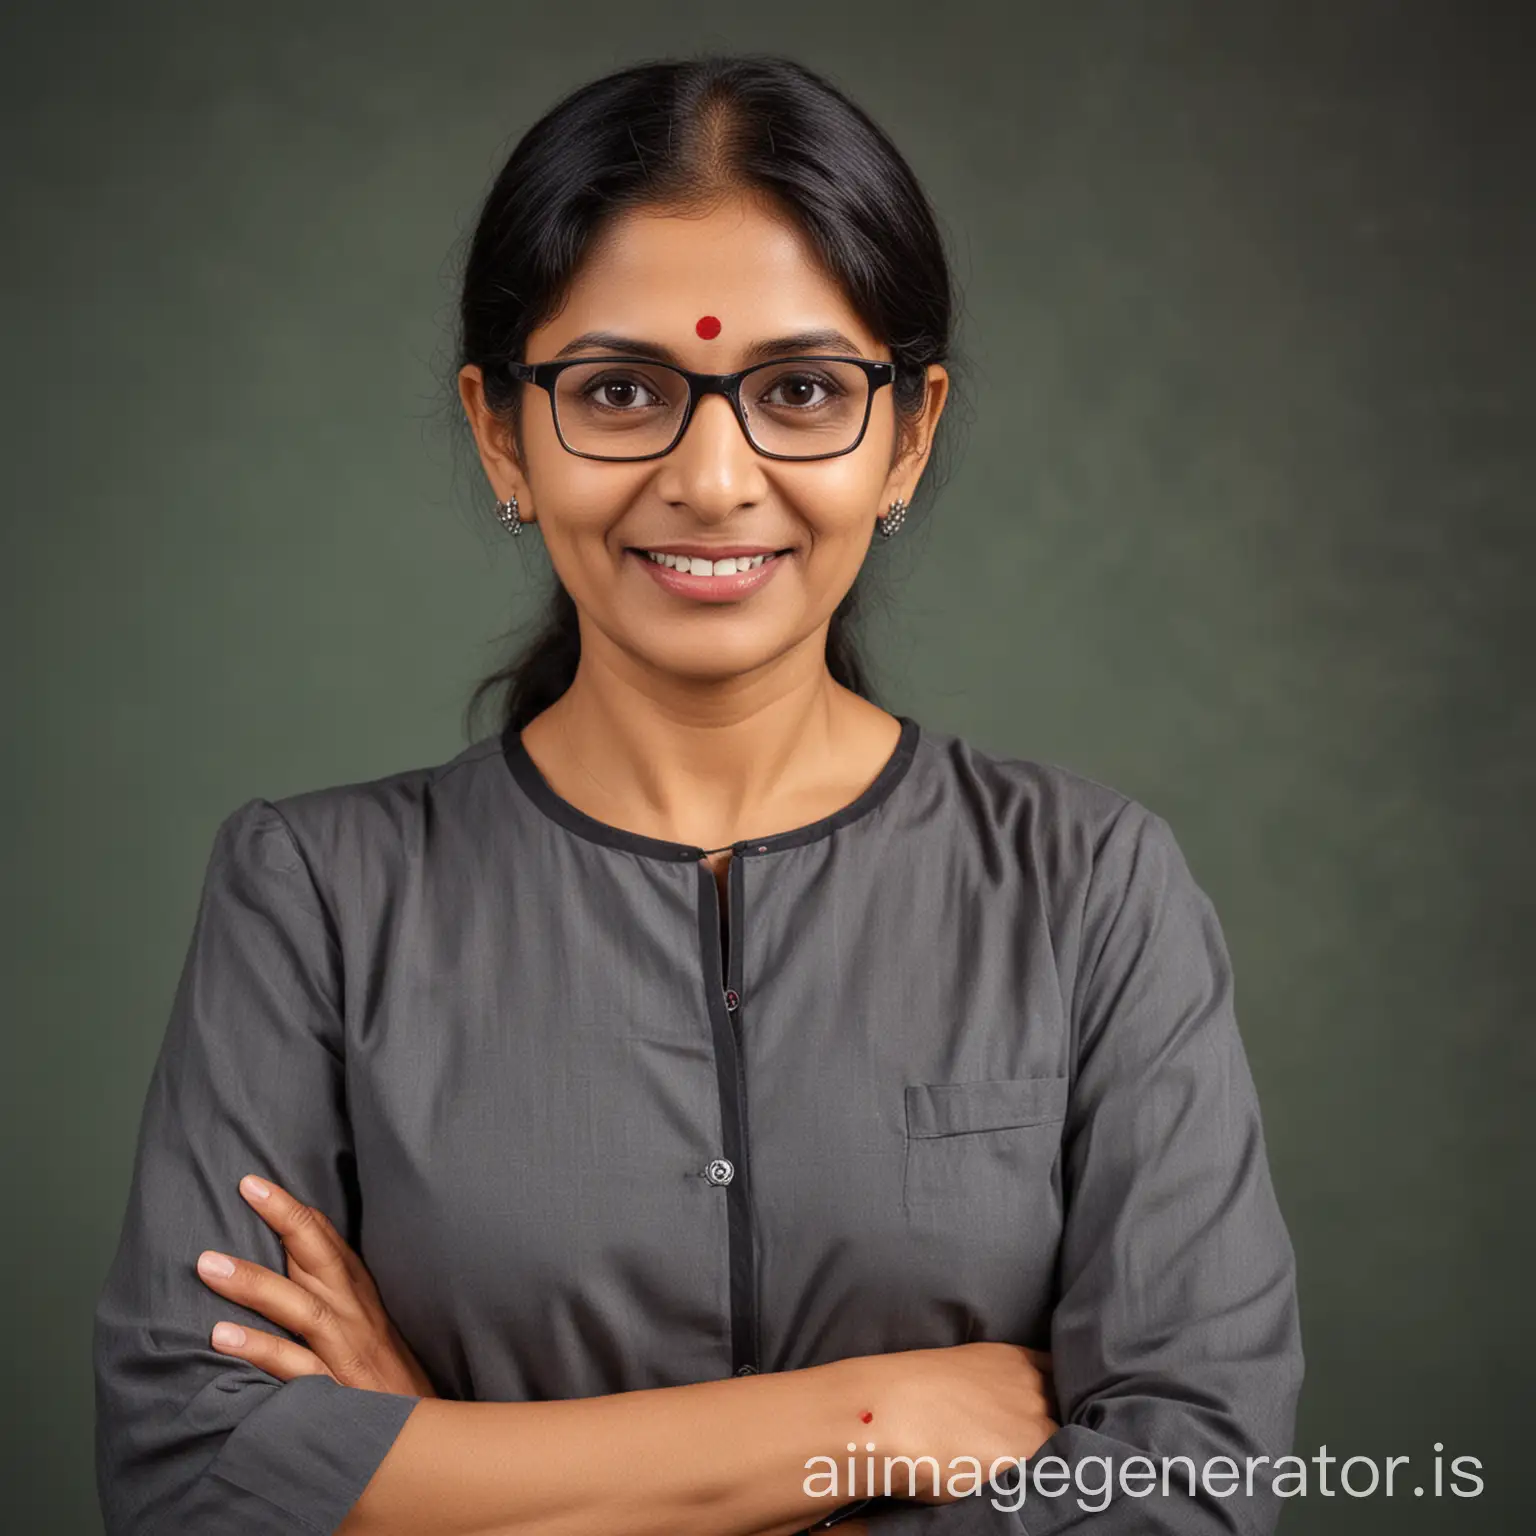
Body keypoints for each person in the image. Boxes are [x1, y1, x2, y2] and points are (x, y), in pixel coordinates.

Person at [92, 52, 1303, 1536]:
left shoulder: (1089, 887)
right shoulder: (319, 895)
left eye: (800, 390)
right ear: (501, 433)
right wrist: (864, 1426)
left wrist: (431, 1464)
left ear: (908, 436)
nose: (715, 478)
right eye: (619, 391)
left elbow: (1192, 1485)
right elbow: (193, 1480)